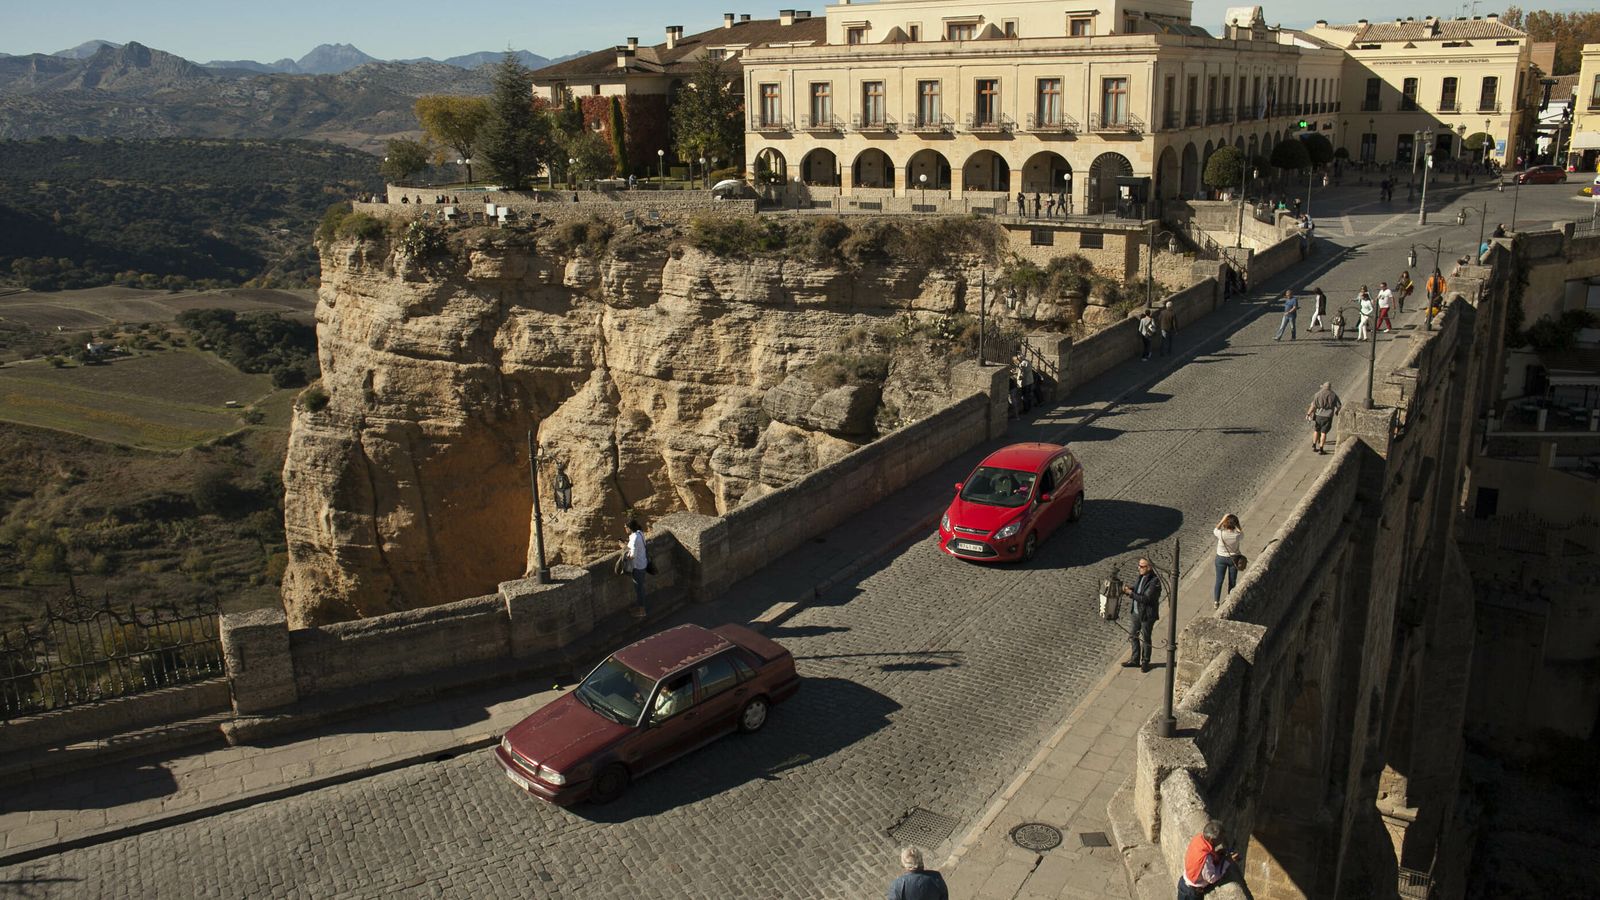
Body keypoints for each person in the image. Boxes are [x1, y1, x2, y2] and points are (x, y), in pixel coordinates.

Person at [1178, 820, 1238, 899]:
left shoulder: (1198, 839)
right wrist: (1227, 861)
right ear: (1211, 840)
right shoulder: (1206, 857)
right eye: (1220, 839)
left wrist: (1217, 854)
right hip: (1192, 893)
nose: (1221, 841)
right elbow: (1211, 878)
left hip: (1183, 883)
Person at [1121, 558, 1161, 672]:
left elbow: (1145, 598)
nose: (1139, 568)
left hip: (1147, 615)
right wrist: (1130, 588)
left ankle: (1145, 661)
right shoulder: (1141, 576)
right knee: (1133, 635)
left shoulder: (1154, 582)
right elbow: (1139, 589)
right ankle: (1135, 659)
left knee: (1146, 638)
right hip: (1136, 612)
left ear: (1149, 567)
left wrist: (1130, 593)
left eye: (1142, 566)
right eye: (1139, 565)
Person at [1212, 515, 1243, 607]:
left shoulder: (1220, 534)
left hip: (1220, 558)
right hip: (1233, 559)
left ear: (1225, 524)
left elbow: (1215, 529)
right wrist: (1237, 525)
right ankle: (1230, 600)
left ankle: (1216, 602)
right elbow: (1241, 532)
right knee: (1232, 580)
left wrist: (1222, 520)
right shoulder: (1237, 536)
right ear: (1235, 524)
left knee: (1219, 580)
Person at [623, 519, 649, 619]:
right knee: (640, 587)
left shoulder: (634, 538)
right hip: (643, 563)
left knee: (639, 589)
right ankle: (639, 607)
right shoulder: (640, 533)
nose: (624, 528)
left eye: (625, 527)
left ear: (629, 528)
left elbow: (632, 555)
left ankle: (642, 611)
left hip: (637, 566)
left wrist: (624, 548)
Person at [1307, 381, 1342, 454]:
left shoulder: (1317, 394)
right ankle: (1321, 449)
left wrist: (1308, 414)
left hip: (1318, 415)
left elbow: (1313, 406)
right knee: (1324, 432)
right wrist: (1336, 412)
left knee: (1316, 430)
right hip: (1328, 416)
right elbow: (1339, 406)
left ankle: (1314, 445)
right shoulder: (1333, 395)